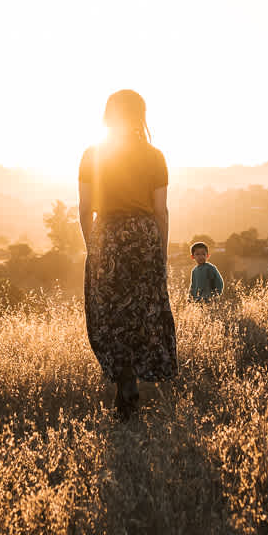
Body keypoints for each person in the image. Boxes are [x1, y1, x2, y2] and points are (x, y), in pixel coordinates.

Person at [78, 89, 176, 419]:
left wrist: (93, 246)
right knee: (144, 311)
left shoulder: (92, 154)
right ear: (140, 115)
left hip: (106, 234)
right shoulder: (154, 156)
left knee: (108, 314)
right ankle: (137, 376)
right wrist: (161, 252)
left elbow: (84, 208)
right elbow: (161, 211)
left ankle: (124, 381)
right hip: (144, 235)